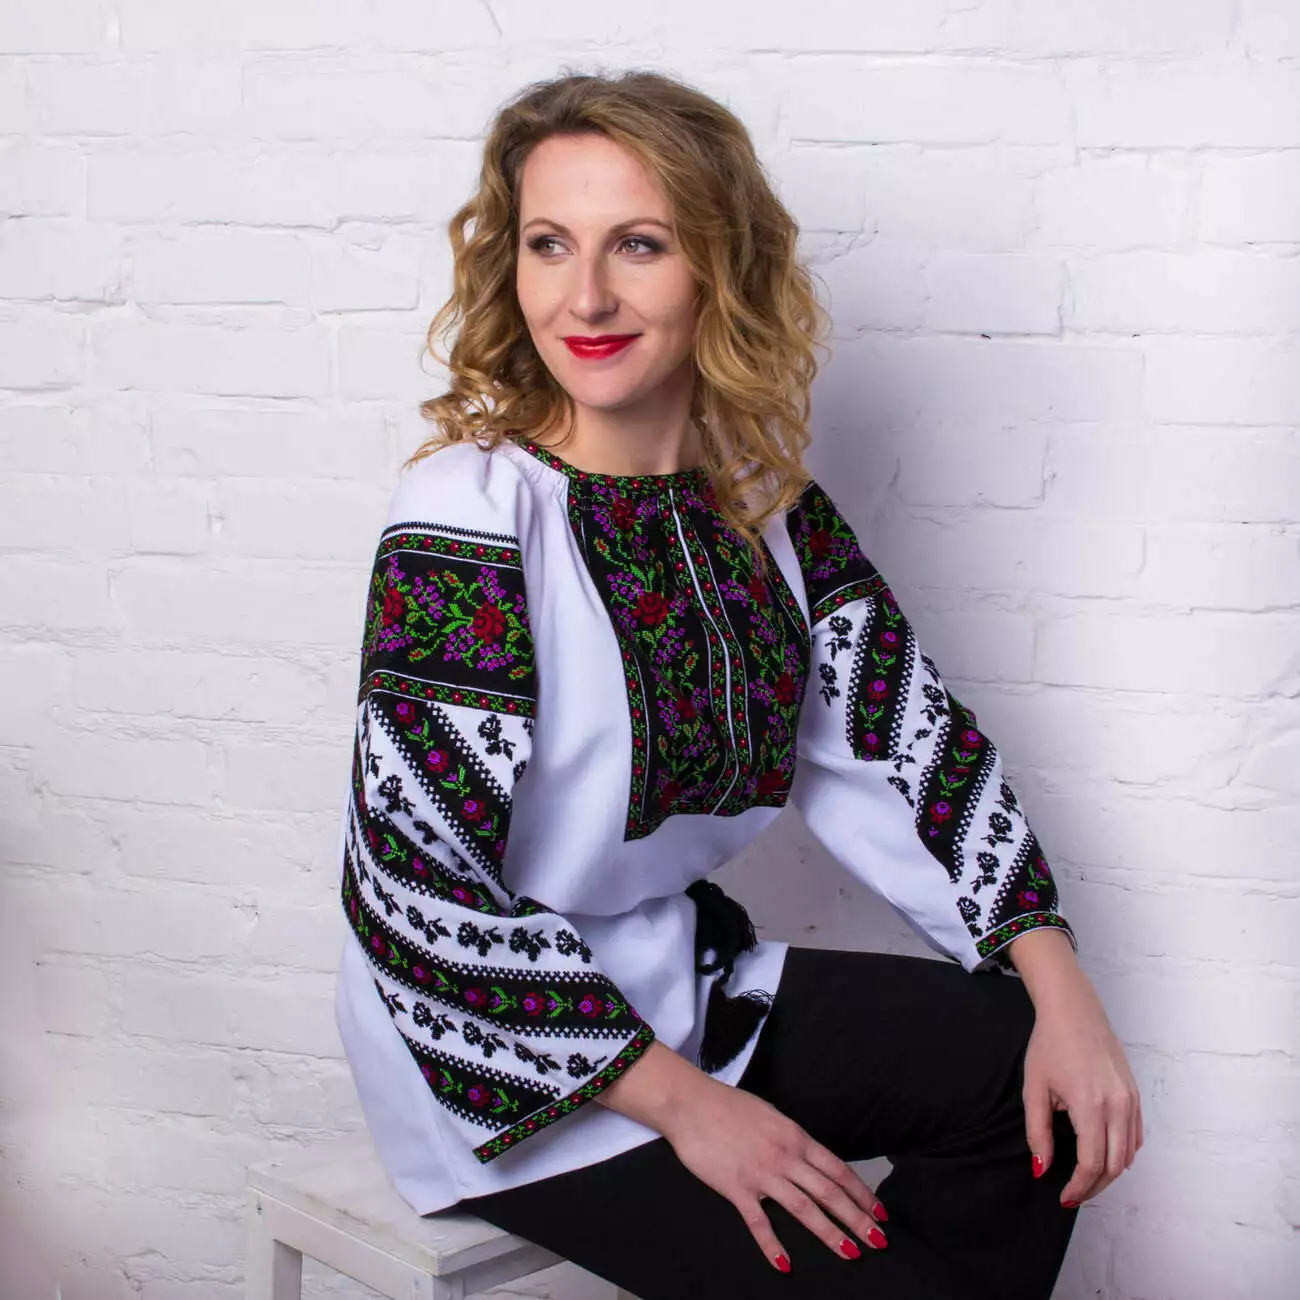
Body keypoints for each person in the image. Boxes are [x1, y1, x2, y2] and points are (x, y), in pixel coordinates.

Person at [332, 69, 1142, 1299]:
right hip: (501, 1056)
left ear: (718, 264)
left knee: (1025, 1068)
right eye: (549, 244)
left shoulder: (764, 510)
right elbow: (412, 883)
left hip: (689, 984)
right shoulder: (467, 513)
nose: (585, 296)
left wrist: (1055, 979)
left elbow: (911, 747)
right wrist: (691, 1108)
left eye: (638, 244)